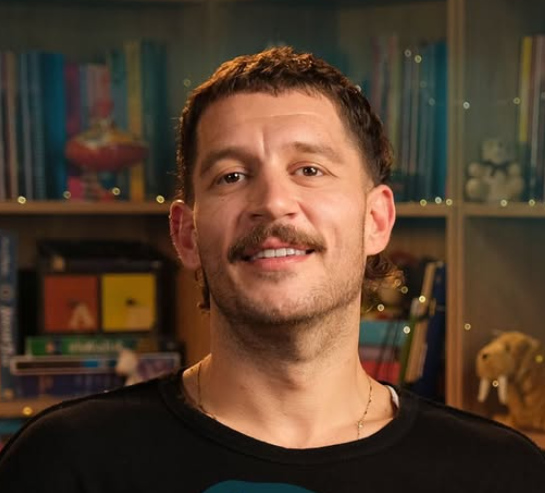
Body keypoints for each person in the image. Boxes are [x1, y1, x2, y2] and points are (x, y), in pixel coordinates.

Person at [0, 46, 543, 492]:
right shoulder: (65, 462)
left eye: (310, 169)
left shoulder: (503, 474)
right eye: (232, 177)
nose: (274, 202)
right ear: (186, 235)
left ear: (376, 219)